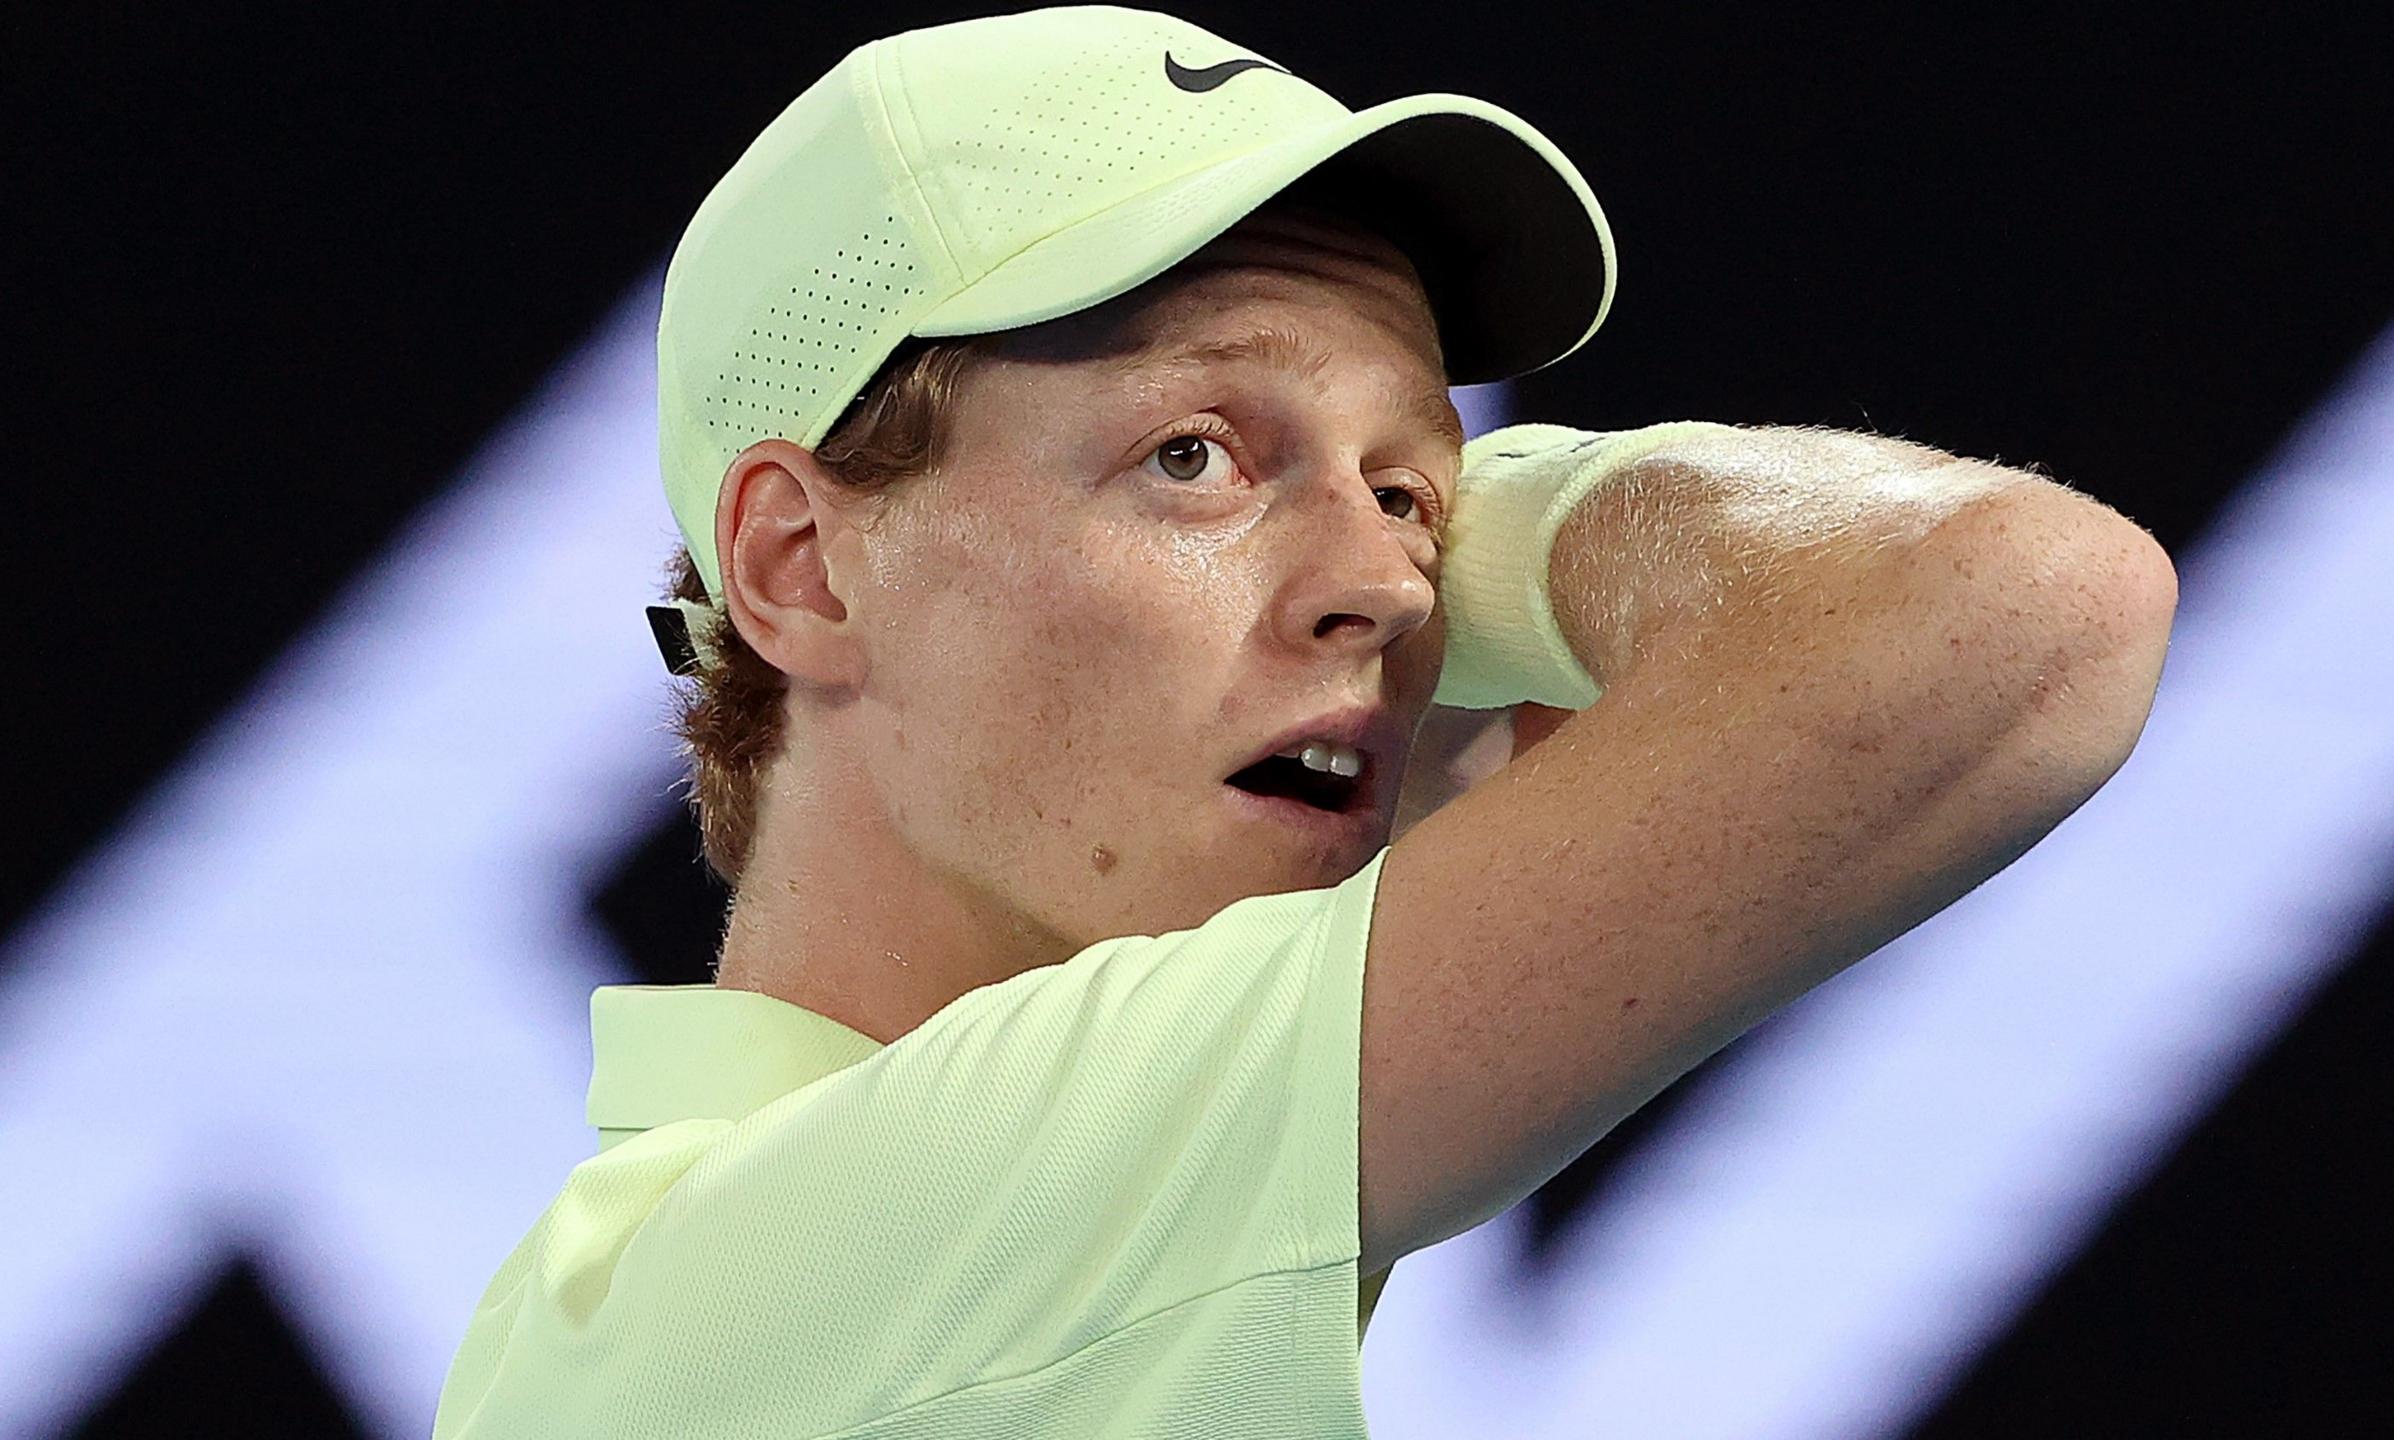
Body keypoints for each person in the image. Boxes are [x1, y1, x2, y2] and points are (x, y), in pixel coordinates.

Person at [431, 6, 2177, 1437]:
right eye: (1192, 454)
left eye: (1418, 490)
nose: (1397, 593)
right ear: (801, 569)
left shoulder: (740, 1296)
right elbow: (2019, 610)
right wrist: (1525, 524)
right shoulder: (813, 1270)